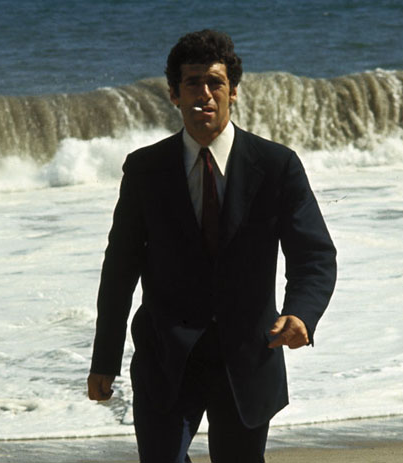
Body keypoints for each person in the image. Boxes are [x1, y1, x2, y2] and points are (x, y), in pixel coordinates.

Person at [87, 29, 337, 463]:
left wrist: (300, 314)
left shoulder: (276, 166)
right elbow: (120, 269)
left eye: (215, 83)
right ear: (174, 94)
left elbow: (314, 254)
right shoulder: (145, 169)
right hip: (166, 357)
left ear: (233, 92)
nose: (204, 93)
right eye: (192, 83)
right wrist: (104, 360)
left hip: (247, 356)